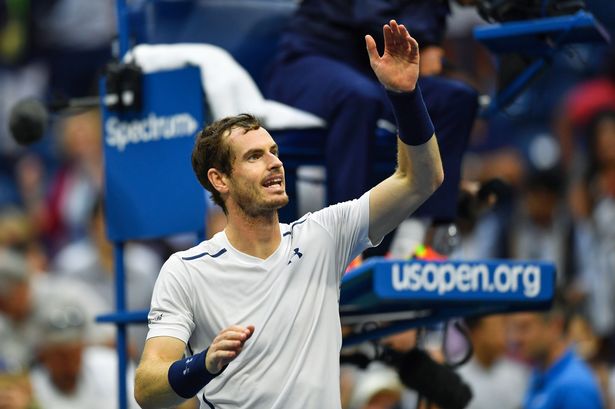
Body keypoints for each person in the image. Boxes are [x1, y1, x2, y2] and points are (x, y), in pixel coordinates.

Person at [134, 20, 444, 409]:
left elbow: (421, 179)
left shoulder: (324, 235)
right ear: (220, 180)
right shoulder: (186, 270)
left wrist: (405, 97)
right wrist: (202, 365)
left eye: (274, 152)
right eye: (254, 156)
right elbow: (147, 390)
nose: (274, 164)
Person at [265, 0, 477, 219]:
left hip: (372, 70)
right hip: (310, 59)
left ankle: (423, 238)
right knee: (359, 97)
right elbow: (370, 14)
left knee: (457, 99)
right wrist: (424, 43)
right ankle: (345, 236)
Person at [509, 301, 605, 409]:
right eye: (514, 328)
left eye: (525, 327)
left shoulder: (575, 387)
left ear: (555, 326)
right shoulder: (539, 372)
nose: (516, 338)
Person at [458, 315, 528, 409]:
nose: (505, 334)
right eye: (498, 326)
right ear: (476, 332)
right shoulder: (455, 376)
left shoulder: (519, 375)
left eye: (505, 326)